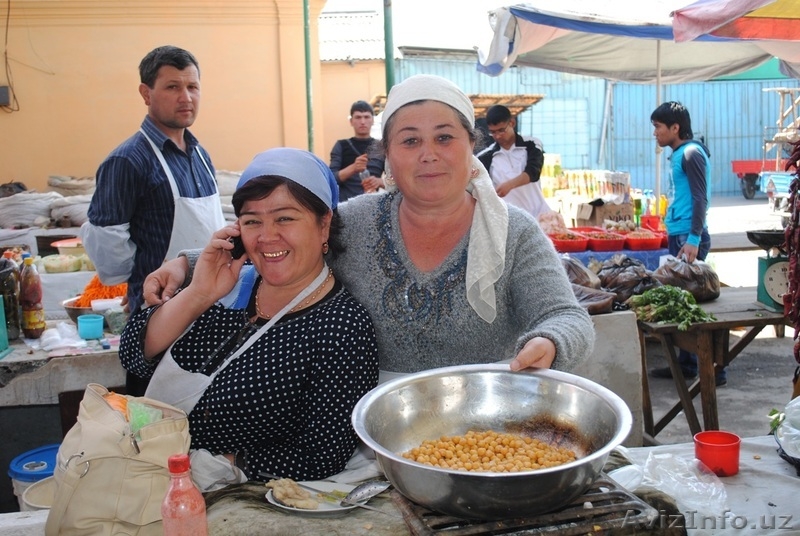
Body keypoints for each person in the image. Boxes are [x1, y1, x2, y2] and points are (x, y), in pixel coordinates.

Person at [144, 74, 594, 381]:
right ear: (388, 155)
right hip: (367, 427)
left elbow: (567, 316)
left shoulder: (514, 232)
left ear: (470, 146)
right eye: (410, 140)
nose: (428, 154)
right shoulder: (357, 220)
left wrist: (550, 341)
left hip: (485, 425)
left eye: (444, 137)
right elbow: (281, 240)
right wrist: (187, 265)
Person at [118, 147, 379, 482]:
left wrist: (209, 467)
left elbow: (322, 455)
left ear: (323, 224)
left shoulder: (342, 327)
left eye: (285, 218)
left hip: (226, 495)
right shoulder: (228, 288)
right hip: (144, 471)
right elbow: (133, 356)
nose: (267, 237)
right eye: (252, 221)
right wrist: (198, 294)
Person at [81, 45, 225, 316]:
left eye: (192, 87)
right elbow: (108, 246)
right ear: (146, 94)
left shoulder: (200, 155)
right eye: (173, 87)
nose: (186, 98)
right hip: (161, 307)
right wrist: (138, 281)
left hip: (213, 301)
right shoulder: (127, 161)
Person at [648, 101, 725, 387]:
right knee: (684, 303)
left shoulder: (691, 153)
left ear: (675, 127)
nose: (655, 133)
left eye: (658, 127)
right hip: (680, 233)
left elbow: (699, 198)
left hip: (688, 238)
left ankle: (715, 369)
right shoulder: (680, 154)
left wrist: (693, 239)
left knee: (697, 304)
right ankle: (687, 365)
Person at [477, 104, 549, 218]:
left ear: (512, 123)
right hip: (509, 219)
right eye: (493, 132)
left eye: (501, 130)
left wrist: (510, 185)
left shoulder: (532, 144)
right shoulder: (485, 156)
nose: (497, 136)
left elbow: (533, 172)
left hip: (538, 214)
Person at [328, 100, 385, 201]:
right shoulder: (341, 145)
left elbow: (396, 180)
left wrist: (379, 182)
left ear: (372, 120)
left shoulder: (381, 147)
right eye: (358, 117)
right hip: (345, 204)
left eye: (366, 117)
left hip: (374, 202)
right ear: (351, 121)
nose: (362, 122)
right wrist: (353, 168)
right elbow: (330, 179)